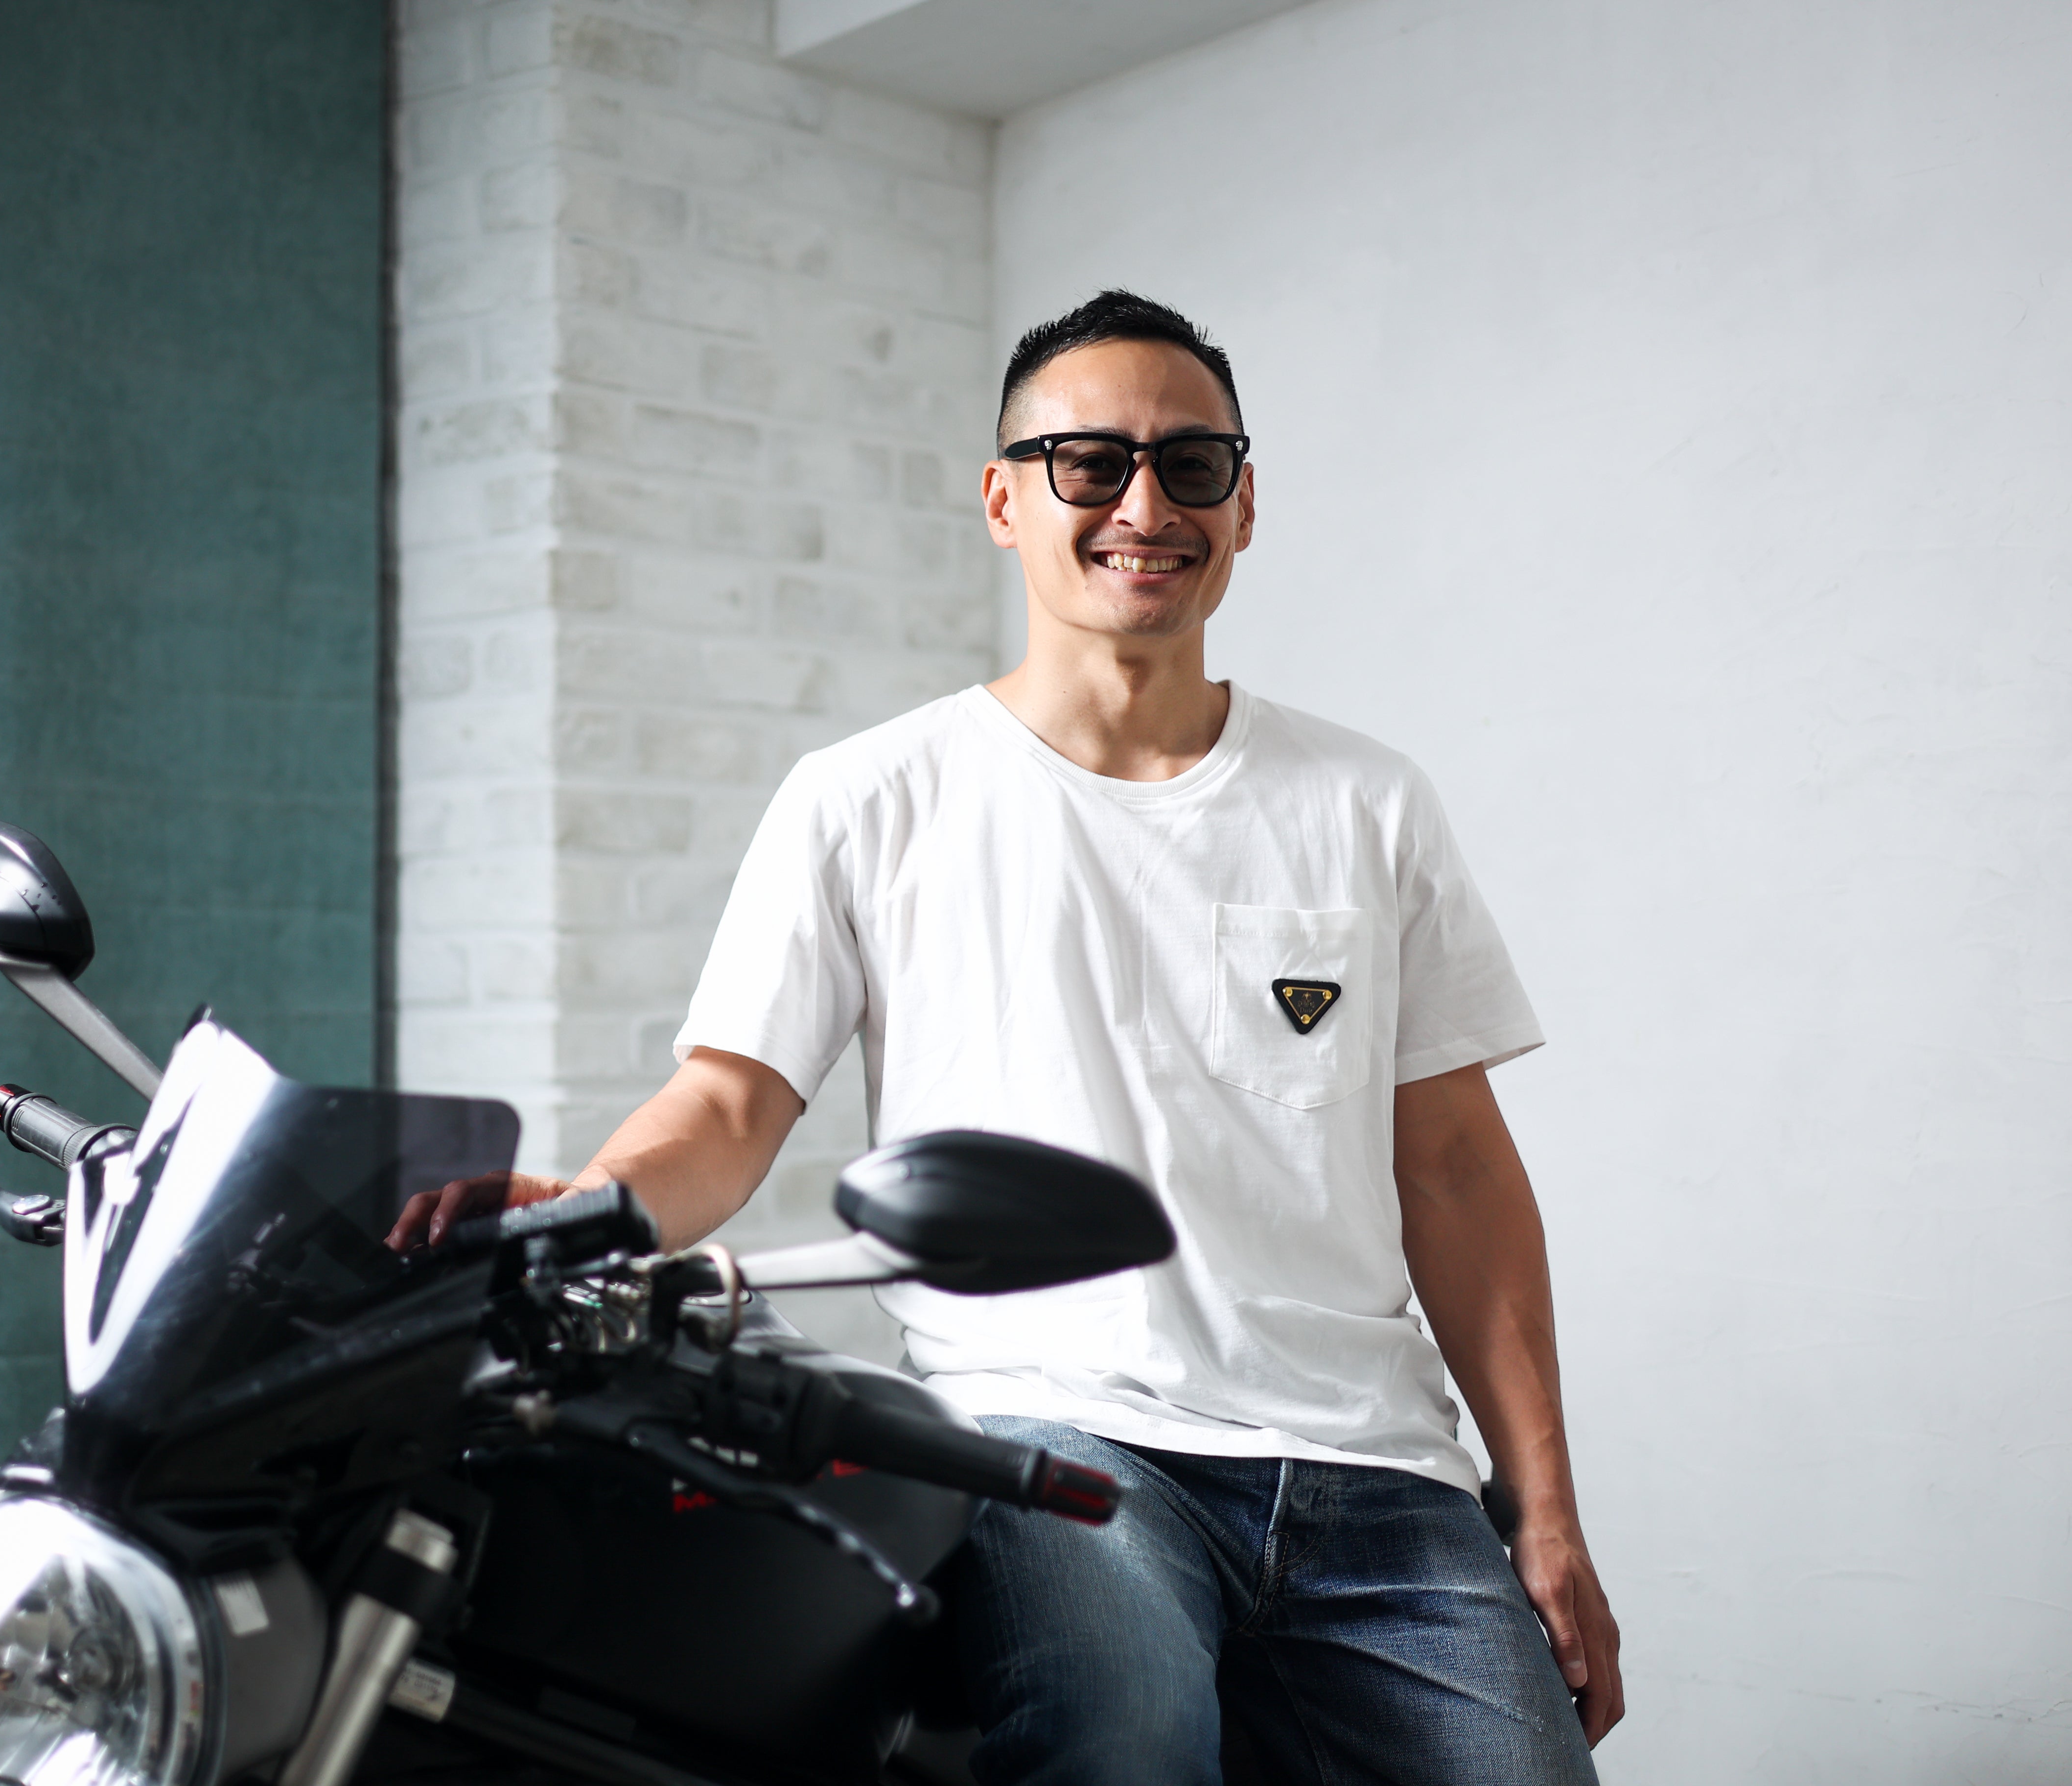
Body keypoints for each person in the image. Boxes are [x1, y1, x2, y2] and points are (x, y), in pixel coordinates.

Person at [391, 290, 1622, 1783]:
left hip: (1372, 1462)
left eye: (1192, 465)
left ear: (1244, 507)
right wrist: (584, 1214)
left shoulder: (1366, 803)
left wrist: (1546, 1507)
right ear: (1003, 500)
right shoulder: (868, 799)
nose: (1144, 507)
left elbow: (1458, 1169)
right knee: (1127, 1740)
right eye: (1090, 463)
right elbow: (727, 1106)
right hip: (1058, 1434)